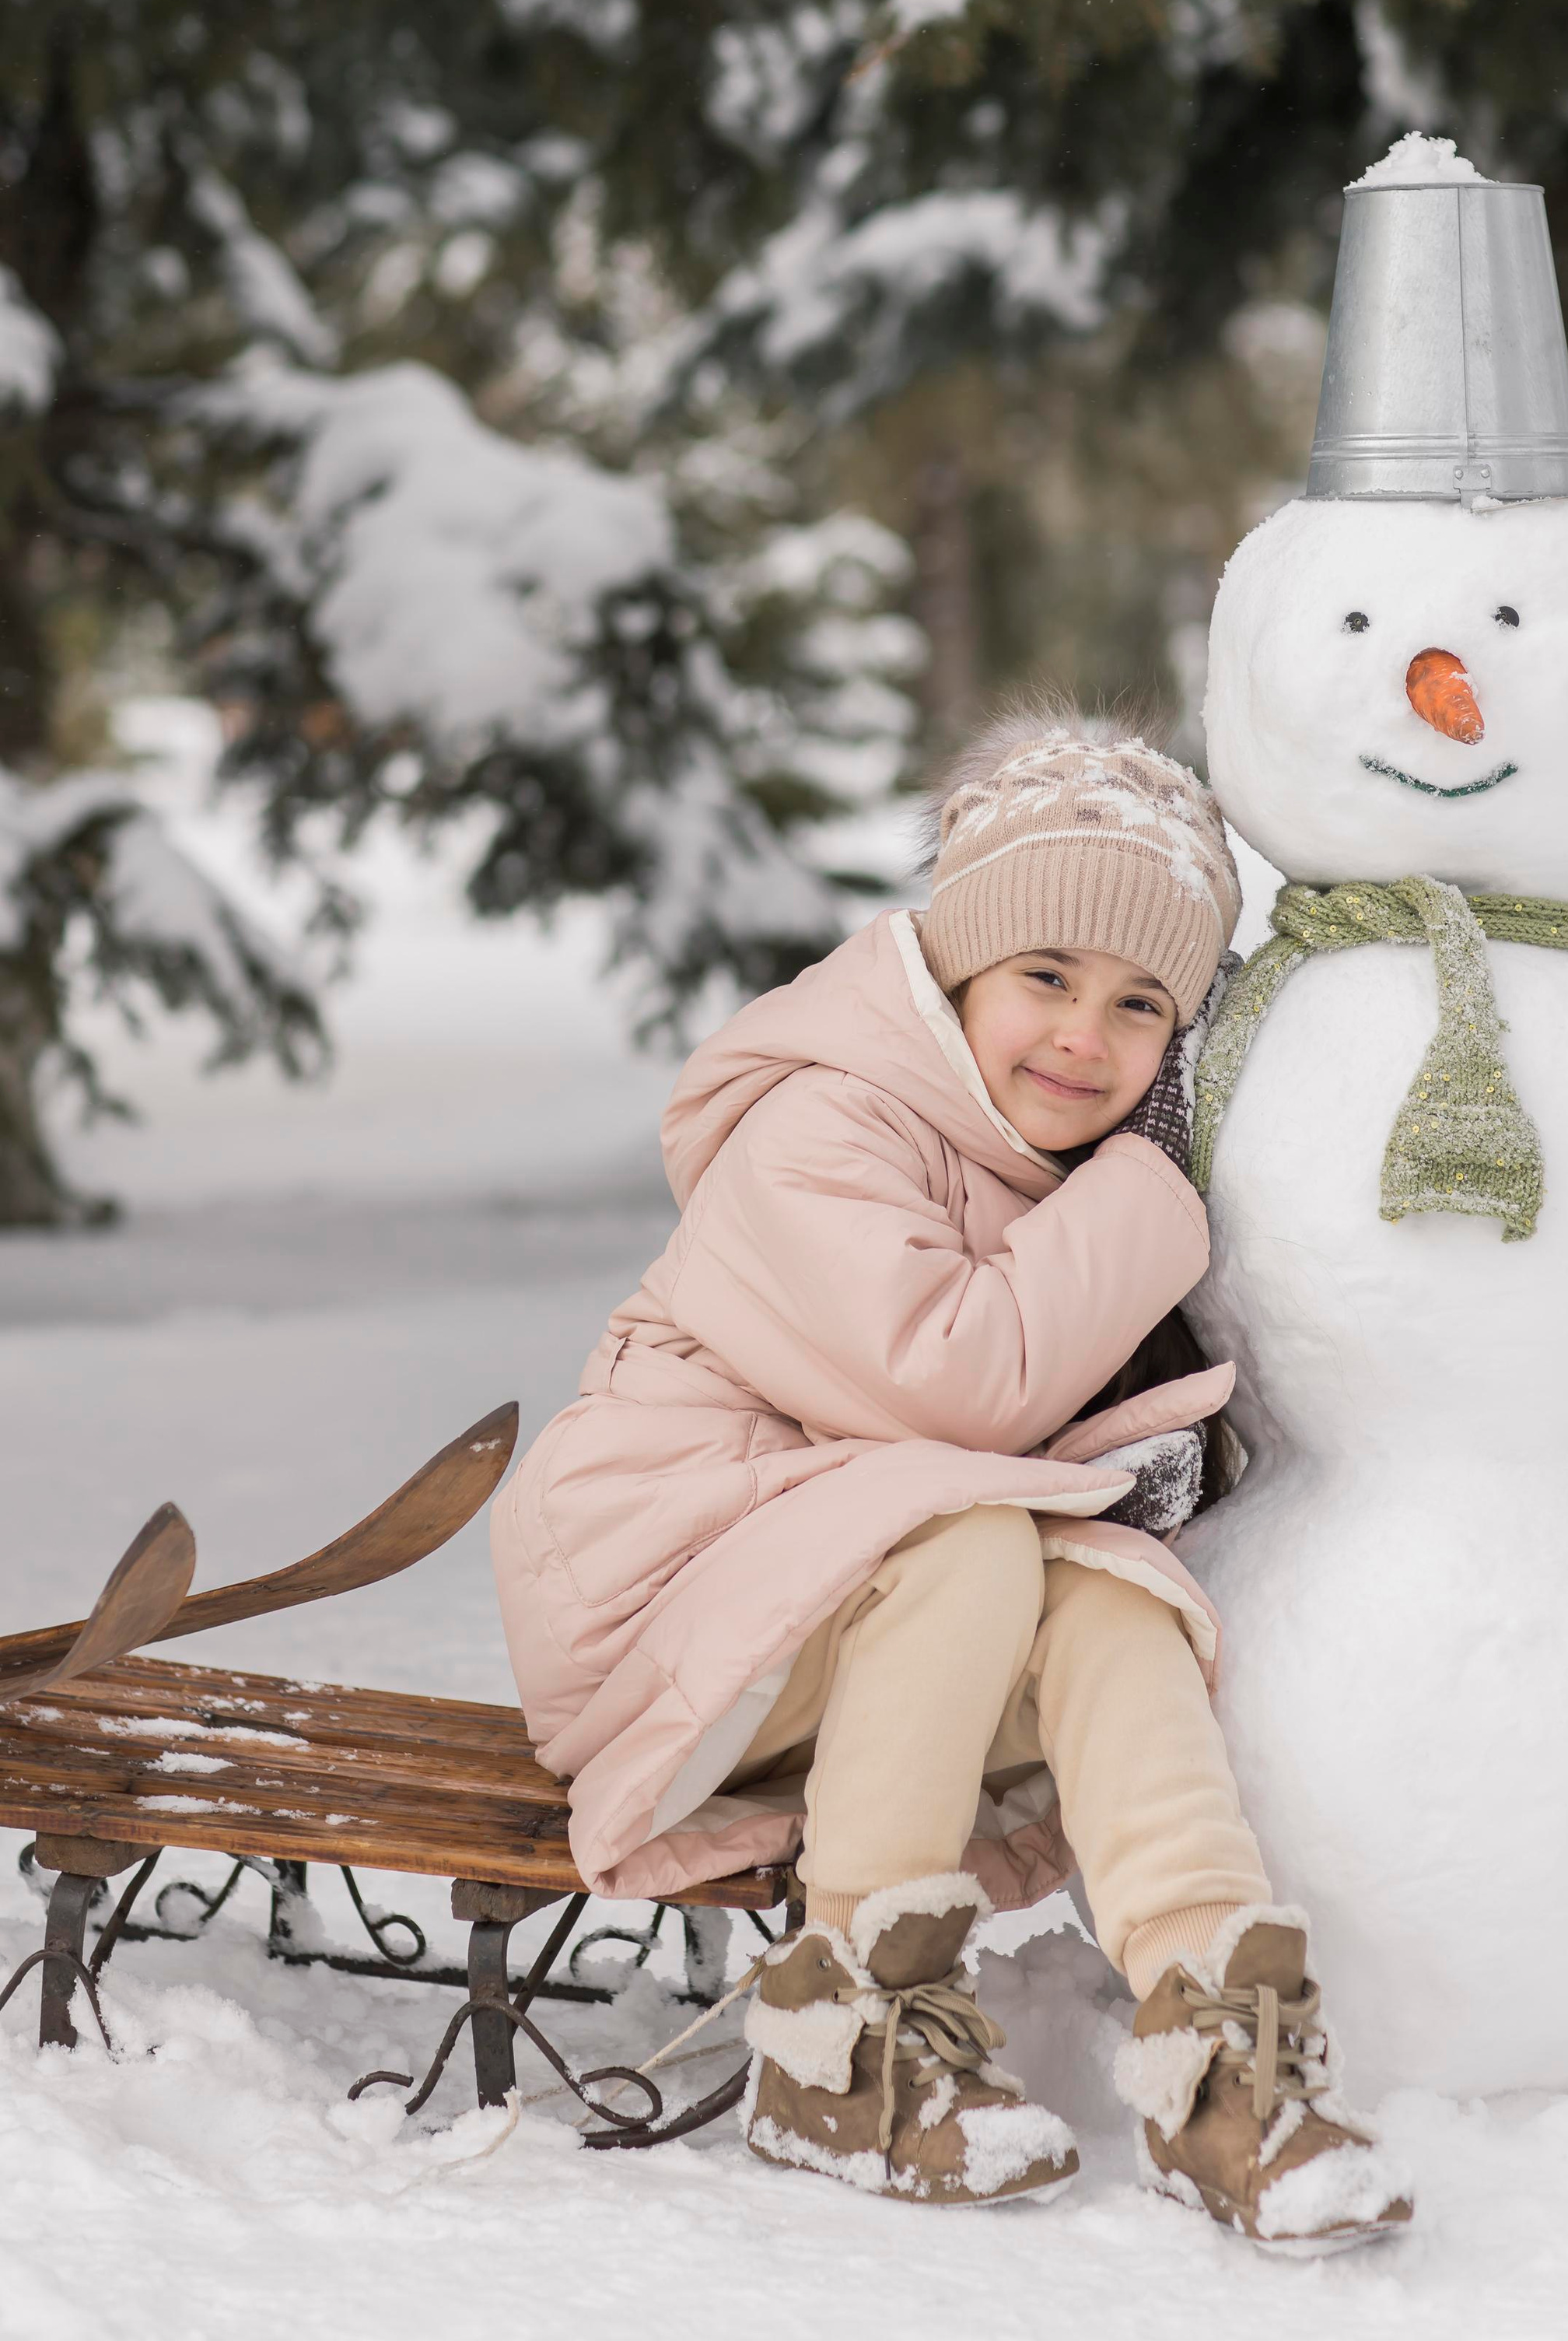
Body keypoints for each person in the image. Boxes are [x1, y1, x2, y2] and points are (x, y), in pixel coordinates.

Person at [492, 706, 1412, 2253]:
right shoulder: (824, 1124)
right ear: (949, 966)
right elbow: (954, 1381)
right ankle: (847, 2038)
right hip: (659, 1607)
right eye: (1044, 976)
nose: (1083, 1036)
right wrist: (1149, 1182)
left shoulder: (1035, 1173)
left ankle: (1219, 2058)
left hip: (846, 1625)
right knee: (978, 1535)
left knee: (1115, 1599)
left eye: (1139, 1006)